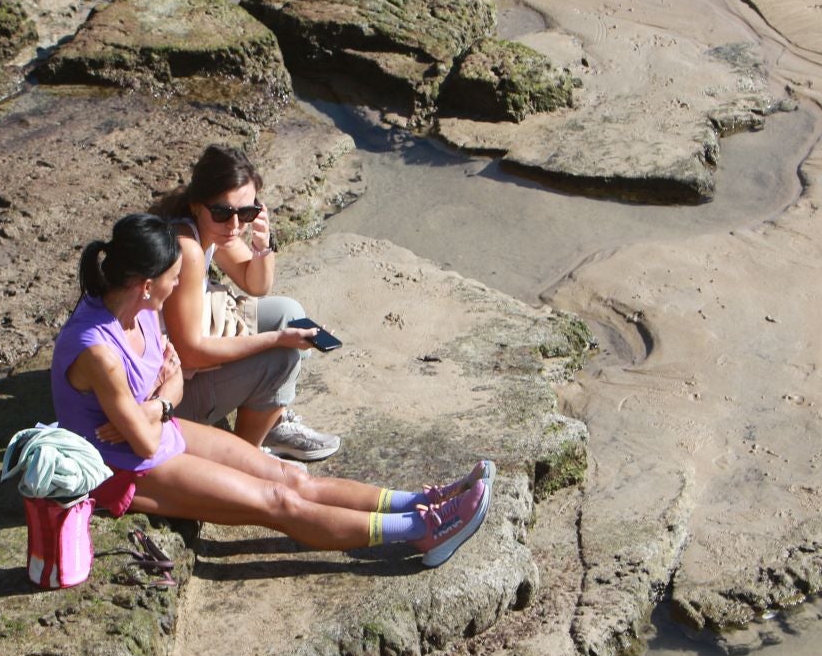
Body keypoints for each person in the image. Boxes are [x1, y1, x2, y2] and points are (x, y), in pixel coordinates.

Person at [51, 212, 493, 565]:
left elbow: (173, 377)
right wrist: (162, 401)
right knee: (278, 502)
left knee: (289, 475)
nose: (179, 286)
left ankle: (418, 501)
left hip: (155, 435)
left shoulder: (142, 308)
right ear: (146, 285)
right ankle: (422, 531)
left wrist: (153, 404)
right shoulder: (99, 351)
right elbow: (147, 437)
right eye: (175, 278)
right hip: (124, 470)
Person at [152, 145, 339, 461]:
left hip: (186, 357)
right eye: (224, 212)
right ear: (198, 204)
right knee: (281, 360)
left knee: (290, 313)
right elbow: (190, 353)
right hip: (165, 396)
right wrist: (276, 341)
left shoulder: (210, 226)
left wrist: (263, 245)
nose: (235, 225)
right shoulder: (186, 248)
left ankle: (270, 422)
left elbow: (257, 285)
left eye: (247, 213)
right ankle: (243, 460)